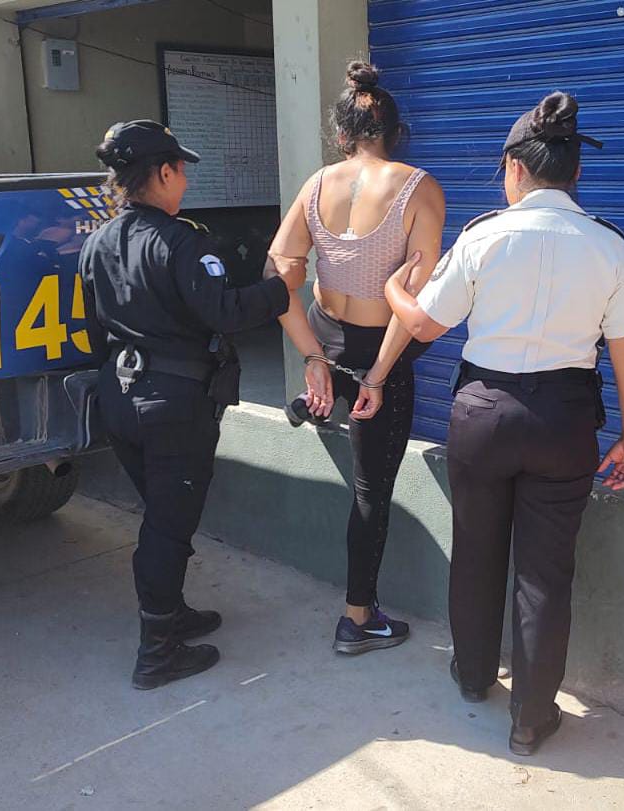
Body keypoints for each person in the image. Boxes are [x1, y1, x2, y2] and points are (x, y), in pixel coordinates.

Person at [384, 92, 624, 754]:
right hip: (564, 422)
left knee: (476, 551)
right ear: (575, 171)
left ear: (514, 168)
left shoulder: (482, 237)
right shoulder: (609, 246)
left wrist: (394, 287)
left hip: (483, 415)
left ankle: (473, 675)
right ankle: (531, 718)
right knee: (545, 573)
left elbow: (424, 325)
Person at [78, 120, 306, 690]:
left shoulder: (97, 243)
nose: (185, 179)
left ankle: (171, 614)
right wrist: (282, 287)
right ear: (162, 173)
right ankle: (157, 652)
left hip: (119, 399)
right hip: (173, 408)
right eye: (180, 169)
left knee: (163, 514)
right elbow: (225, 312)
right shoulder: (181, 243)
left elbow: (90, 331)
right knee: (167, 526)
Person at [267, 61, 446, 654]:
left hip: (325, 333)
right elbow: (413, 303)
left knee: (332, 382)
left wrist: (311, 356)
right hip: (376, 350)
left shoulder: (316, 184)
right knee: (371, 491)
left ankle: (315, 396)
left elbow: (277, 276)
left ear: (342, 135)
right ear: (396, 132)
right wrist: (378, 375)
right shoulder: (419, 188)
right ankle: (357, 618)